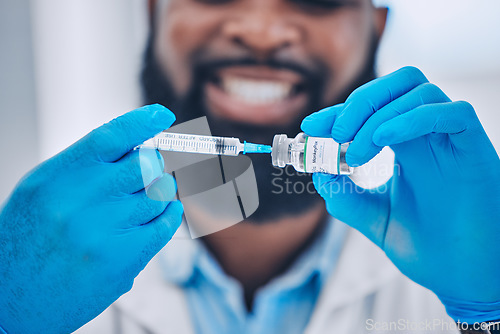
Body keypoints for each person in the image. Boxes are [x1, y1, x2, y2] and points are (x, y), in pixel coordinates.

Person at [0, 0, 499, 333]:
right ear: (153, 9)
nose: (260, 32)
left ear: (376, 24)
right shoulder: (37, 266)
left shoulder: (460, 270)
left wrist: (488, 311)